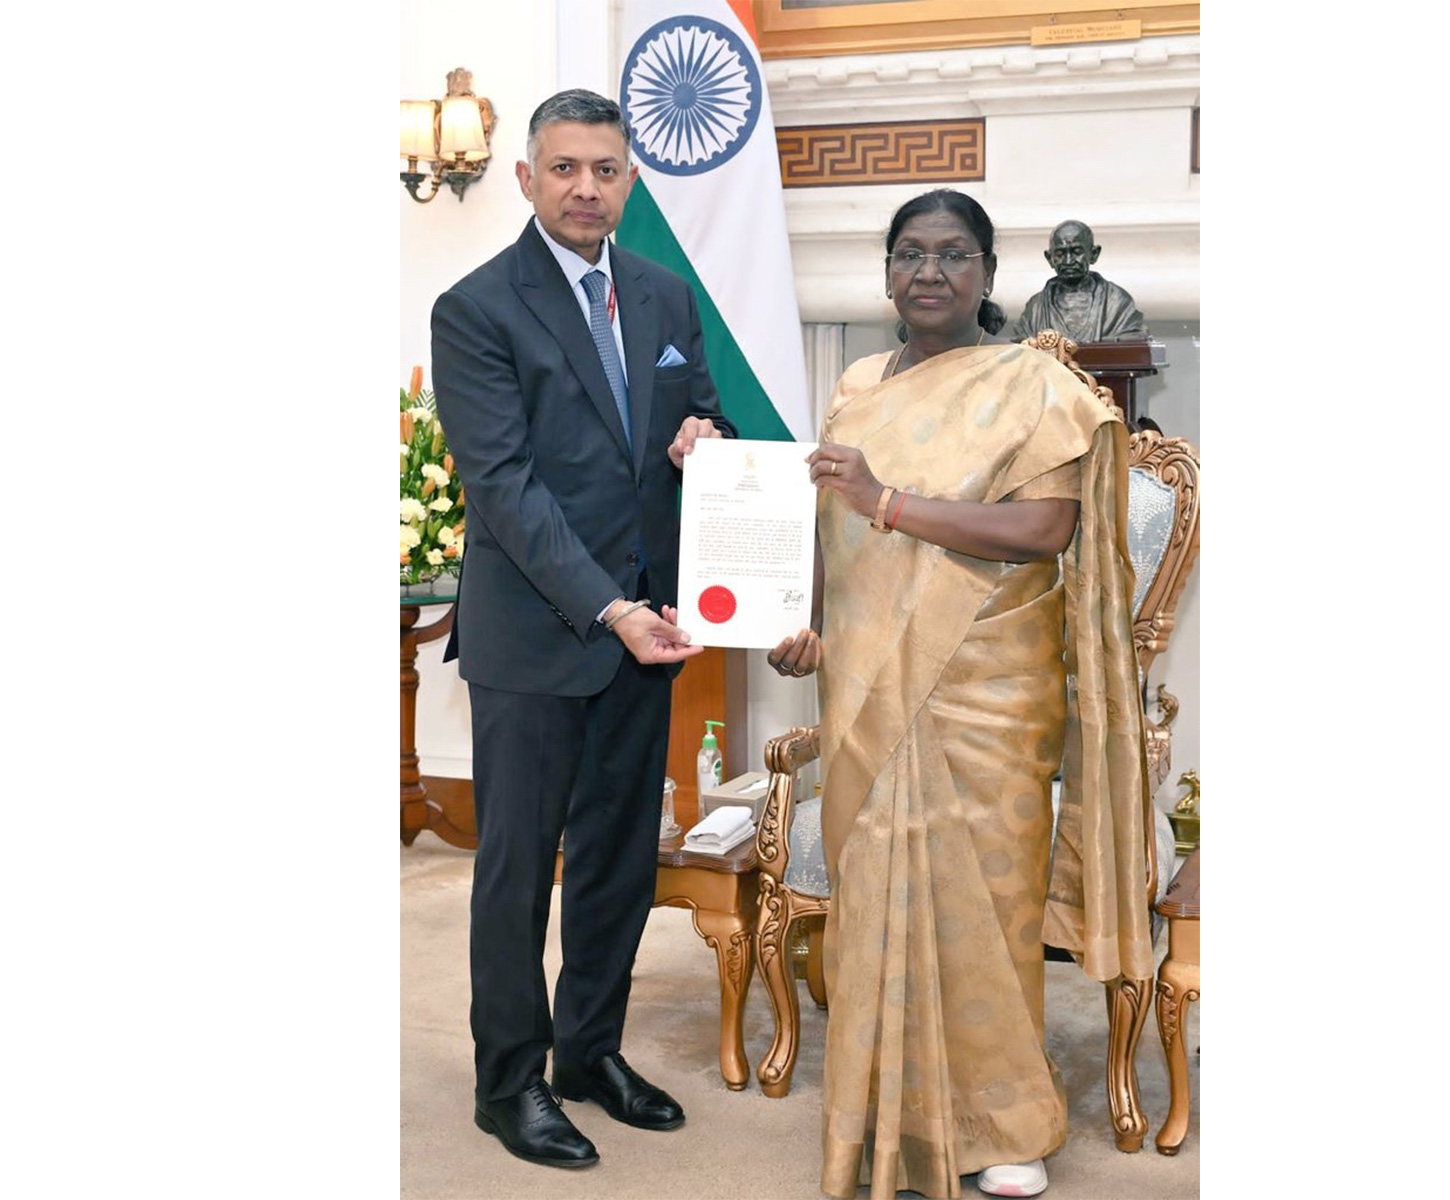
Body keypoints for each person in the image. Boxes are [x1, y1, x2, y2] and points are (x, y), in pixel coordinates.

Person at [767, 190, 1152, 1199]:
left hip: (991, 681)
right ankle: (882, 1111)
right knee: (873, 898)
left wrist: (887, 501)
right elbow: (827, 523)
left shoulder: (1033, 385)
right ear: (885, 272)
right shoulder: (854, 384)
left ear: (987, 273)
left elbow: (1045, 532)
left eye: (950, 255)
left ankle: (1000, 1128)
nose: (927, 272)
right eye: (908, 254)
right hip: (865, 680)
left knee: (986, 901)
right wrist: (801, 618)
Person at [430, 88, 736, 1171]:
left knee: (616, 857)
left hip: (648, 628)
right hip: (540, 635)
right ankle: (506, 1082)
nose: (585, 187)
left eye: (604, 169)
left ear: (631, 180)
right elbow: (504, 488)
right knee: (518, 869)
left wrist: (704, 431)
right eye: (563, 168)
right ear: (525, 178)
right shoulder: (473, 308)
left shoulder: (661, 294)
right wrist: (605, 607)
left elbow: (705, 415)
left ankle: (587, 1052)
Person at [1010, 218, 1148, 344]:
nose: (1069, 261)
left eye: (1076, 252)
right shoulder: (1035, 308)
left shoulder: (1117, 302)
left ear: (1093, 254)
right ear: (1049, 258)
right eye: (1060, 254)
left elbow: (1133, 339)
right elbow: (1023, 347)